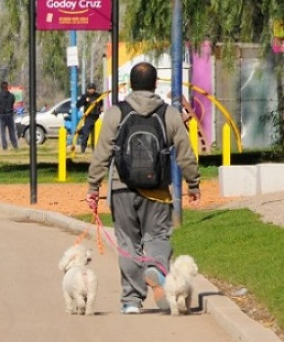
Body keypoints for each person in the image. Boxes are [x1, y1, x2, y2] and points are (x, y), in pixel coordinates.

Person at [85, 62, 201, 314]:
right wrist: (193, 182)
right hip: (157, 190)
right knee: (158, 237)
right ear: (155, 84)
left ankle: (131, 301)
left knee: (128, 242)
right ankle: (158, 269)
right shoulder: (169, 113)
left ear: (130, 85)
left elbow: (102, 153)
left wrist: (93, 187)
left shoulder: (116, 112)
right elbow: (185, 151)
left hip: (122, 188)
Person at [75, 82, 103, 152]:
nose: (92, 90)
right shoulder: (85, 96)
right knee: (86, 134)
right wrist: (84, 100)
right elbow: (78, 104)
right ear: (87, 89)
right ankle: (83, 148)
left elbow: (102, 104)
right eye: (90, 89)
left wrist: (101, 108)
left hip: (96, 117)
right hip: (88, 117)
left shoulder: (98, 96)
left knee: (98, 134)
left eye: (93, 89)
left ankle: (96, 148)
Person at [0, 82, 18, 150]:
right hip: (10, 114)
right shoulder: (11, 96)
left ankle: (4, 146)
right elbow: (12, 103)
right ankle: (15, 145)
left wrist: (0, 112)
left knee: (3, 132)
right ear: (7, 87)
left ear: (1, 87)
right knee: (12, 131)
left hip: (2, 115)